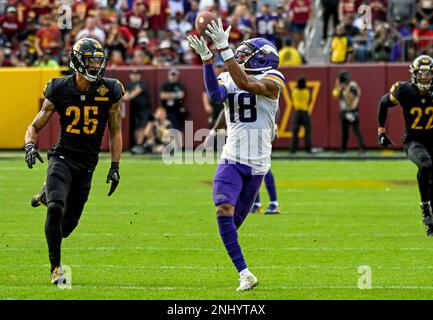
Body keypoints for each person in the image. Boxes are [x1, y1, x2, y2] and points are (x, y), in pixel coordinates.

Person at [187, 19, 285, 291]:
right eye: (237, 53)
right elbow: (217, 96)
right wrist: (207, 60)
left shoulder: (274, 79)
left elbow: (246, 83)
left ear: (261, 58)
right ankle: (245, 273)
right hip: (232, 158)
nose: (239, 56)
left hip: (257, 164)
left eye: (245, 54)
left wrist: (223, 48)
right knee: (223, 208)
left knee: (234, 222)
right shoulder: (229, 73)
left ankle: (243, 268)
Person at [25, 38, 124, 284]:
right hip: (62, 157)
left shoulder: (109, 90)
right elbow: (35, 125)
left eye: (99, 61)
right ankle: (56, 268)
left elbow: (115, 131)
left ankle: (45, 195)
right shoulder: (60, 88)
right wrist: (29, 145)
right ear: (79, 61)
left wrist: (115, 166)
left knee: (66, 228)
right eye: (91, 60)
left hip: (87, 164)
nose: (96, 65)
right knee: (57, 207)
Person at [377, 55, 433, 236]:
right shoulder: (404, 91)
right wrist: (381, 131)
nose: (425, 77)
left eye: (428, 74)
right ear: (414, 74)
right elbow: (383, 103)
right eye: (422, 74)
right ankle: (425, 206)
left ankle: (430, 220)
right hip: (414, 141)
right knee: (425, 164)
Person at [332, 70, 365, 153]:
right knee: (344, 132)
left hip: (352, 111)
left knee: (356, 130)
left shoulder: (352, 85)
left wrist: (345, 90)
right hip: (344, 111)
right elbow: (335, 95)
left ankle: (362, 148)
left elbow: (351, 99)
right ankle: (343, 148)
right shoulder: (341, 86)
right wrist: (339, 86)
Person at [123, 69, 152, 154]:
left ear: (139, 76)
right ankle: (137, 145)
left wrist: (129, 95)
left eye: (137, 74)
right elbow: (125, 94)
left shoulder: (142, 83)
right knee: (136, 127)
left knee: (142, 127)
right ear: (130, 76)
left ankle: (140, 145)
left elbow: (132, 94)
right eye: (133, 74)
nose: (135, 76)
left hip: (144, 109)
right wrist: (127, 95)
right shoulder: (128, 84)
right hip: (134, 109)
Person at [159, 67, 187, 132]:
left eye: (175, 75)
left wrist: (168, 95)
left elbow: (181, 95)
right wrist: (175, 95)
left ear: (177, 76)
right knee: (165, 130)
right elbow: (162, 96)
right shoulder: (165, 85)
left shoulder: (180, 85)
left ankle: (180, 142)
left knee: (178, 129)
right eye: (172, 75)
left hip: (176, 110)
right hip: (165, 111)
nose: (173, 77)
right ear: (168, 76)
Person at [290, 76, 312, 154]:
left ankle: (293, 150)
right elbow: (309, 101)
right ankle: (308, 149)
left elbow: (292, 99)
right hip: (304, 113)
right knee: (308, 131)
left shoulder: (294, 91)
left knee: (294, 132)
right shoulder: (307, 91)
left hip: (296, 113)